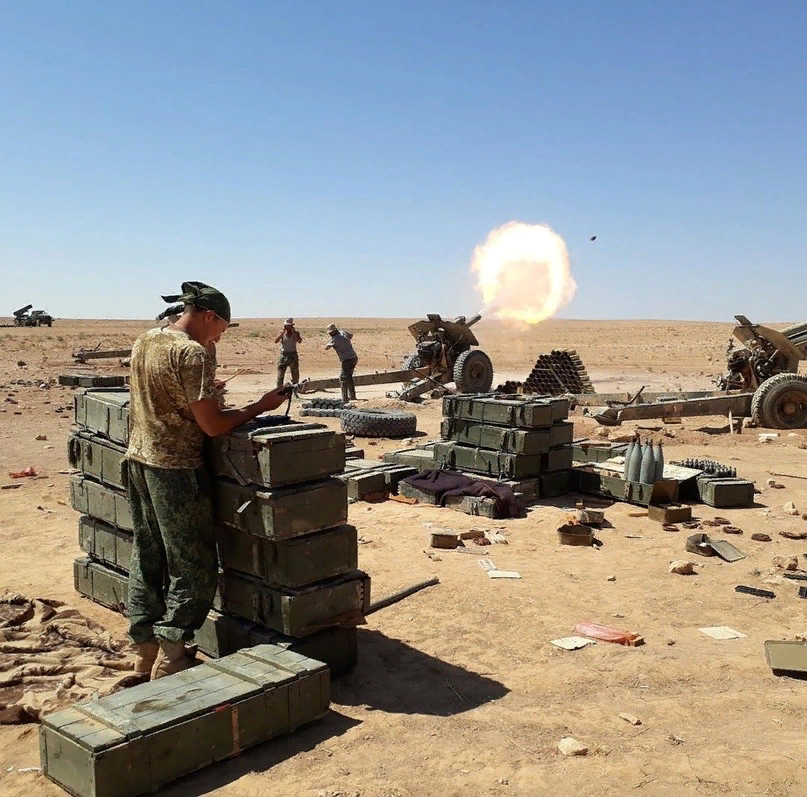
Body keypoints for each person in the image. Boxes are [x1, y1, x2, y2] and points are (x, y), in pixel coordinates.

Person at [126, 281, 288, 680]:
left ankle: (144, 650)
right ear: (209, 316)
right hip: (176, 469)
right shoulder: (192, 353)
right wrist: (260, 406)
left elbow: (164, 393)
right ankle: (172, 655)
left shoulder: (147, 339)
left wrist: (204, 390)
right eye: (221, 329)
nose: (220, 337)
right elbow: (213, 426)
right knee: (194, 564)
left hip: (138, 461)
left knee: (147, 554)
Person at [325, 322, 358, 402]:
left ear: (333, 332)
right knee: (349, 377)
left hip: (347, 360)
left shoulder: (334, 339)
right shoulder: (343, 332)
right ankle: (352, 396)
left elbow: (327, 347)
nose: (330, 334)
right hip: (354, 358)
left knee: (343, 378)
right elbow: (351, 335)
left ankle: (345, 399)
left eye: (330, 333)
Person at [275, 318, 302, 388]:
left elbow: (299, 341)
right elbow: (276, 341)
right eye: (286, 326)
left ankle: (295, 389)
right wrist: (281, 334)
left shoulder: (296, 333)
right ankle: (279, 389)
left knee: (295, 374)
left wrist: (293, 333)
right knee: (280, 374)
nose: (287, 328)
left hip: (293, 355)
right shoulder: (282, 333)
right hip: (284, 355)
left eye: (289, 326)